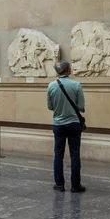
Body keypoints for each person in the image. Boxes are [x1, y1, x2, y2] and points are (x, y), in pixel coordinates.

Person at [47, 59, 86, 193]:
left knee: (58, 155)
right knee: (75, 154)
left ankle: (59, 184)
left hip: (58, 124)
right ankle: (75, 185)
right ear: (67, 70)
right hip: (74, 124)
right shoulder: (76, 85)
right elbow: (81, 107)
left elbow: (50, 106)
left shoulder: (51, 86)